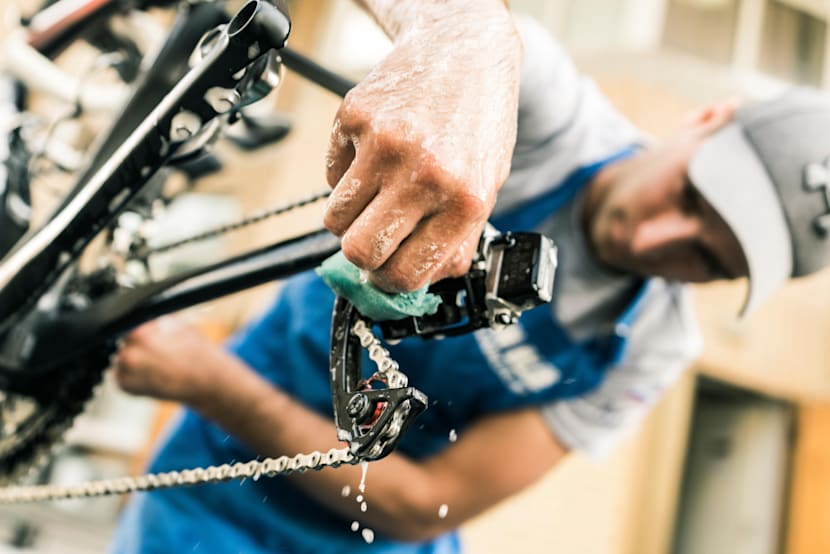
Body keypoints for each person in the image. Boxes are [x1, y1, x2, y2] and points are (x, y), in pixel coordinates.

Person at [110, 3, 830, 554]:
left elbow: (427, 502)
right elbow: (463, 17)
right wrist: (470, 36)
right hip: (207, 499)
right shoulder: (545, 116)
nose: (657, 239)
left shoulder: (648, 345)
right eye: (690, 198)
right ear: (707, 118)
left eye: (709, 261)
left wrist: (210, 382)